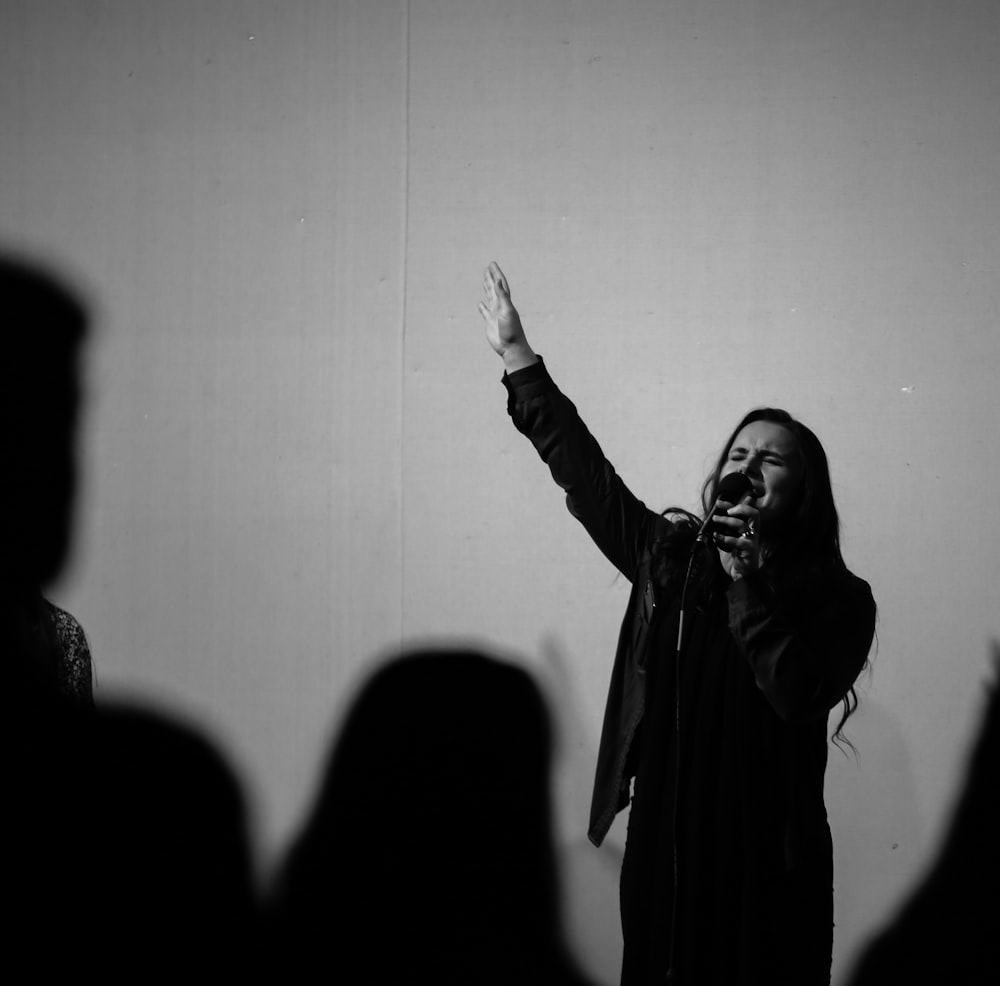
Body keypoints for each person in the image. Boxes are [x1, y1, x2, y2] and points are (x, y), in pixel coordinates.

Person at [478, 261, 877, 986]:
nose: (747, 467)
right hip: (666, 848)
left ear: (804, 488)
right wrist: (519, 360)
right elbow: (590, 481)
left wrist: (748, 583)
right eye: (739, 453)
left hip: (766, 863)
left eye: (771, 460)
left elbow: (795, 690)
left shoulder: (840, 599)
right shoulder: (672, 560)